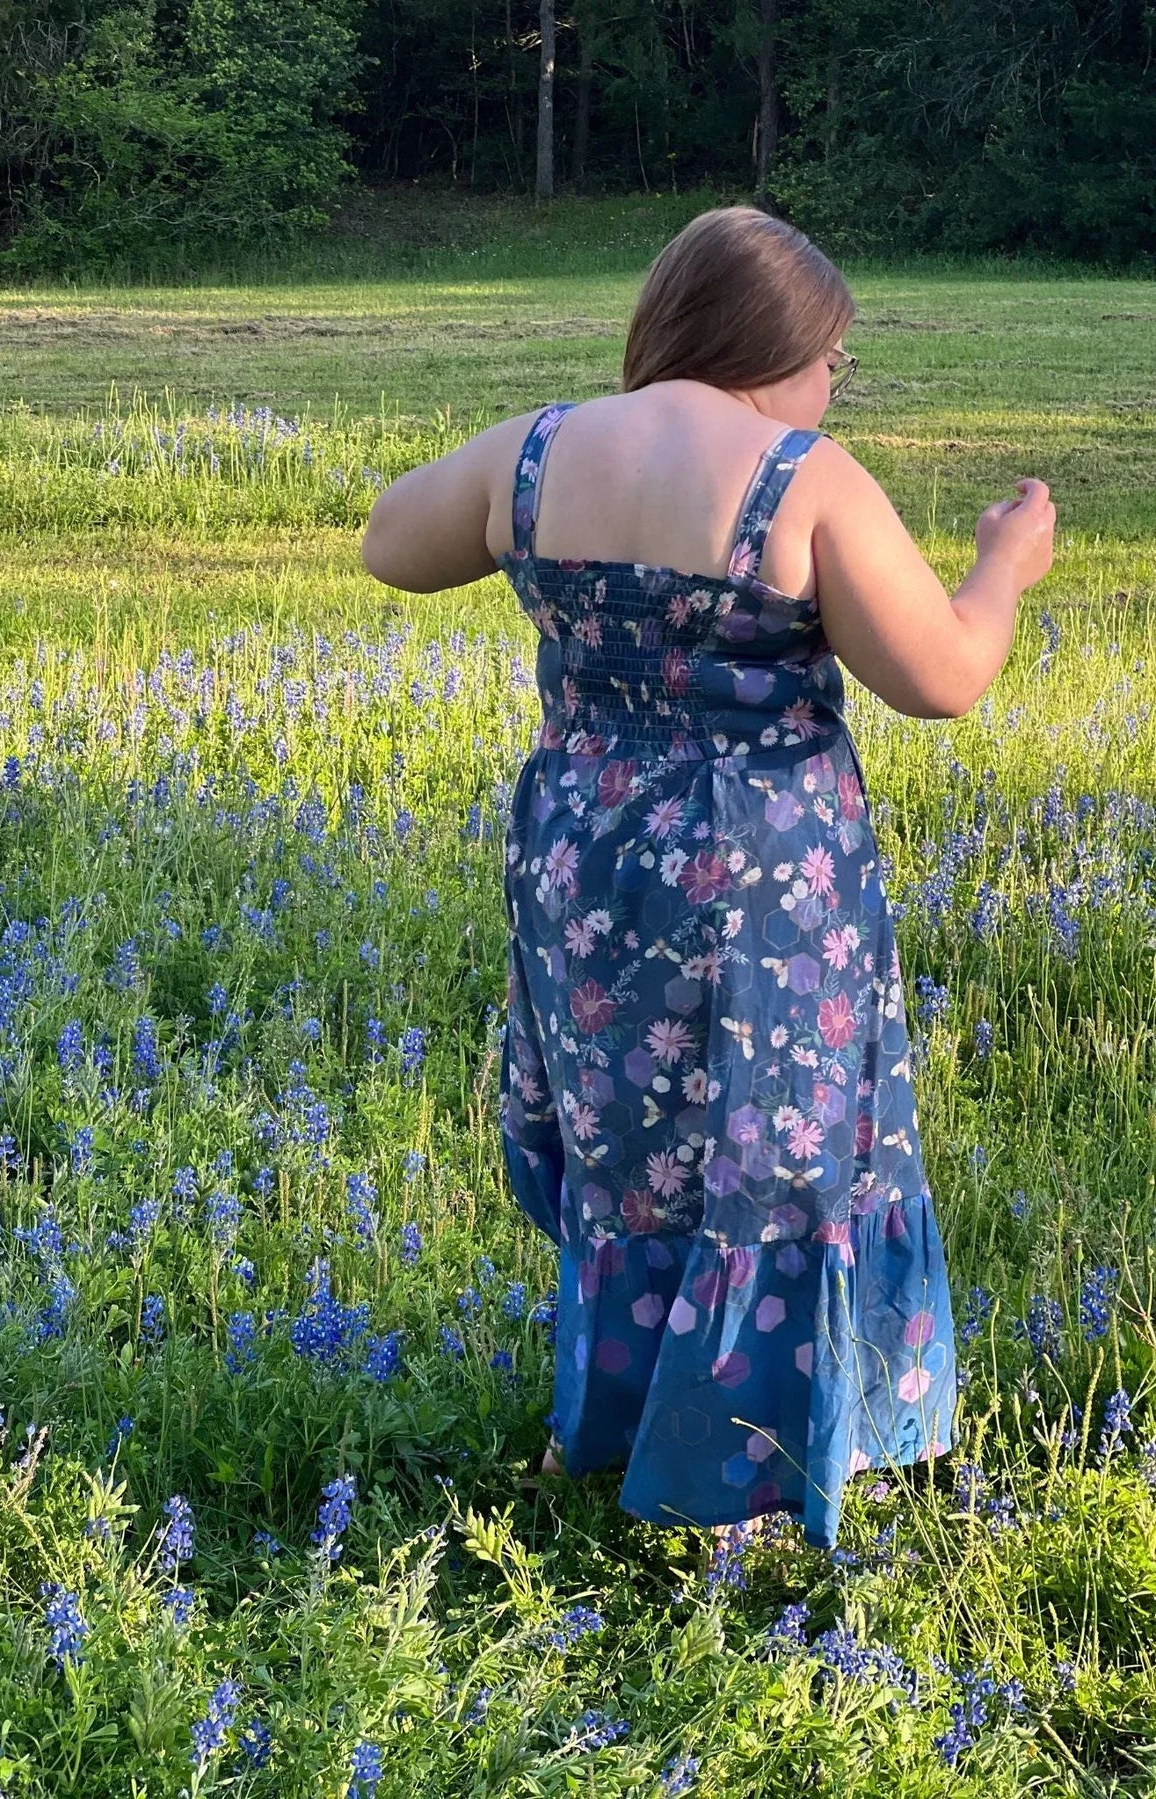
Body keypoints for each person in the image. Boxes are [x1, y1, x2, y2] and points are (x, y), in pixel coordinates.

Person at [359, 204, 1056, 1551]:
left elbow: (391, 540)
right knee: (778, 1147)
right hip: (762, 880)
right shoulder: (805, 476)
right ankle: (751, 1460)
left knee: (632, 1145)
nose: (832, 385)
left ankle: (620, 1422)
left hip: (586, 857)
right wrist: (1002, 565)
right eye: (833, 359)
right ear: (785, 346)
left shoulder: (544, 449)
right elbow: (944, 678)